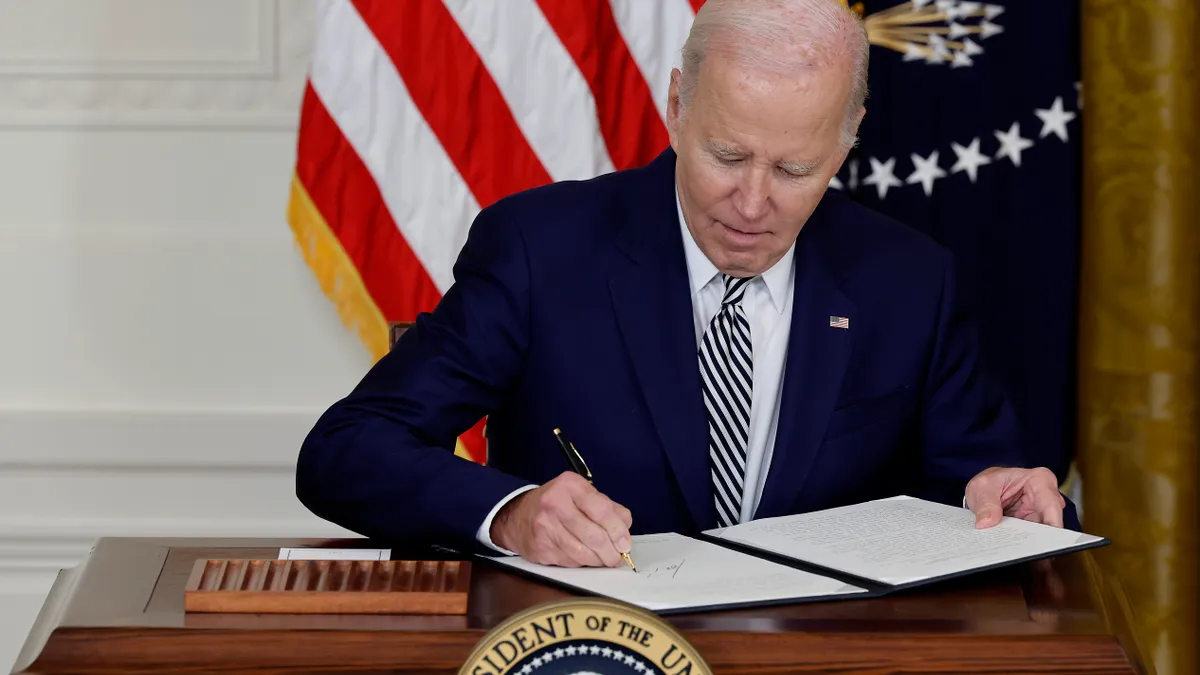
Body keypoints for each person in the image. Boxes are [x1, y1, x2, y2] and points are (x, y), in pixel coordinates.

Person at [296, 0, 1078, 569]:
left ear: (848, 141)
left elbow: (991, 486)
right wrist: (510, 514)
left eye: (795, 170)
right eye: (727, 156)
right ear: (676, 107)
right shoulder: (541, 248)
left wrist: (1008, 496)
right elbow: (346, 451)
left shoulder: (909, 280)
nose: (751, 202)